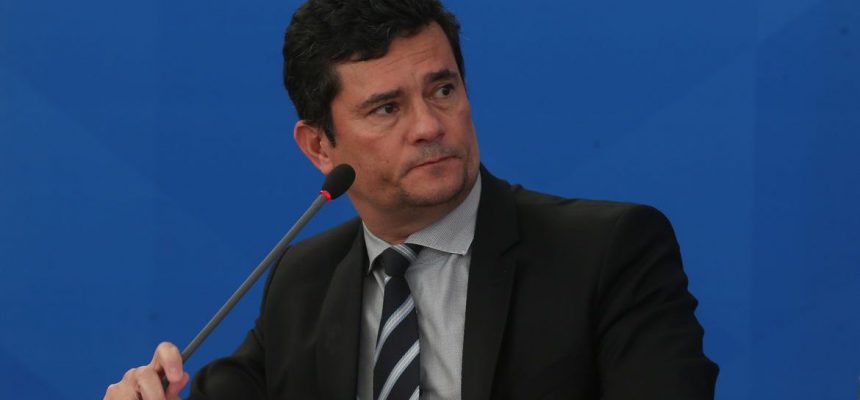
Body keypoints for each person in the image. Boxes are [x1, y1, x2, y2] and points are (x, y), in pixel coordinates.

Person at [103, 0, 718, 399]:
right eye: (387, 108)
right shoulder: (304, 281)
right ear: (319, 147)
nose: (429, 125)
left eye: (443, 89)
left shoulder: (606, 253)